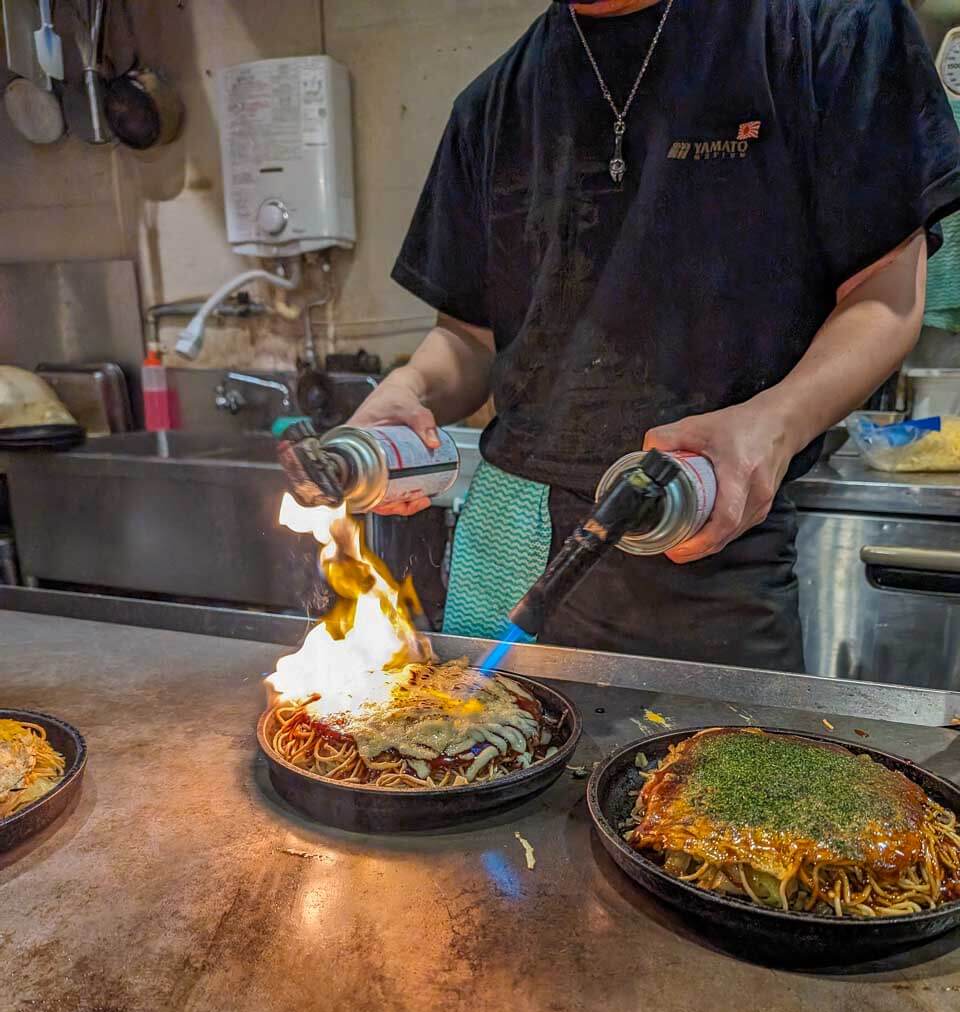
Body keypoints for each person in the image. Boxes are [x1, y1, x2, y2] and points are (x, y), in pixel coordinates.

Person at [349, 0, 960, 670]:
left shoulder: (826, 27)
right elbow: (469, 339)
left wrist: (772, 426)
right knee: (470, 751)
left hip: (700, 542)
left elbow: (886, 296)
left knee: (707, 772)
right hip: (508, 543)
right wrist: (411, 386)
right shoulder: (493, 102)